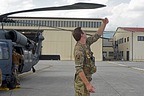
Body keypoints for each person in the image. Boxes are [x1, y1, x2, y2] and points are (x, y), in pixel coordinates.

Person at [72, 18, 109, 96]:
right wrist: (87, 84)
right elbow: (79, 69)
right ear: (82, 34)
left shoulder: (86, 43)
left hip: (86, 80)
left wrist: (104, 24)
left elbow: (97, 35)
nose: (85, 32)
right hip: (81, 83)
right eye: (84, 31)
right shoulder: (79, 50)